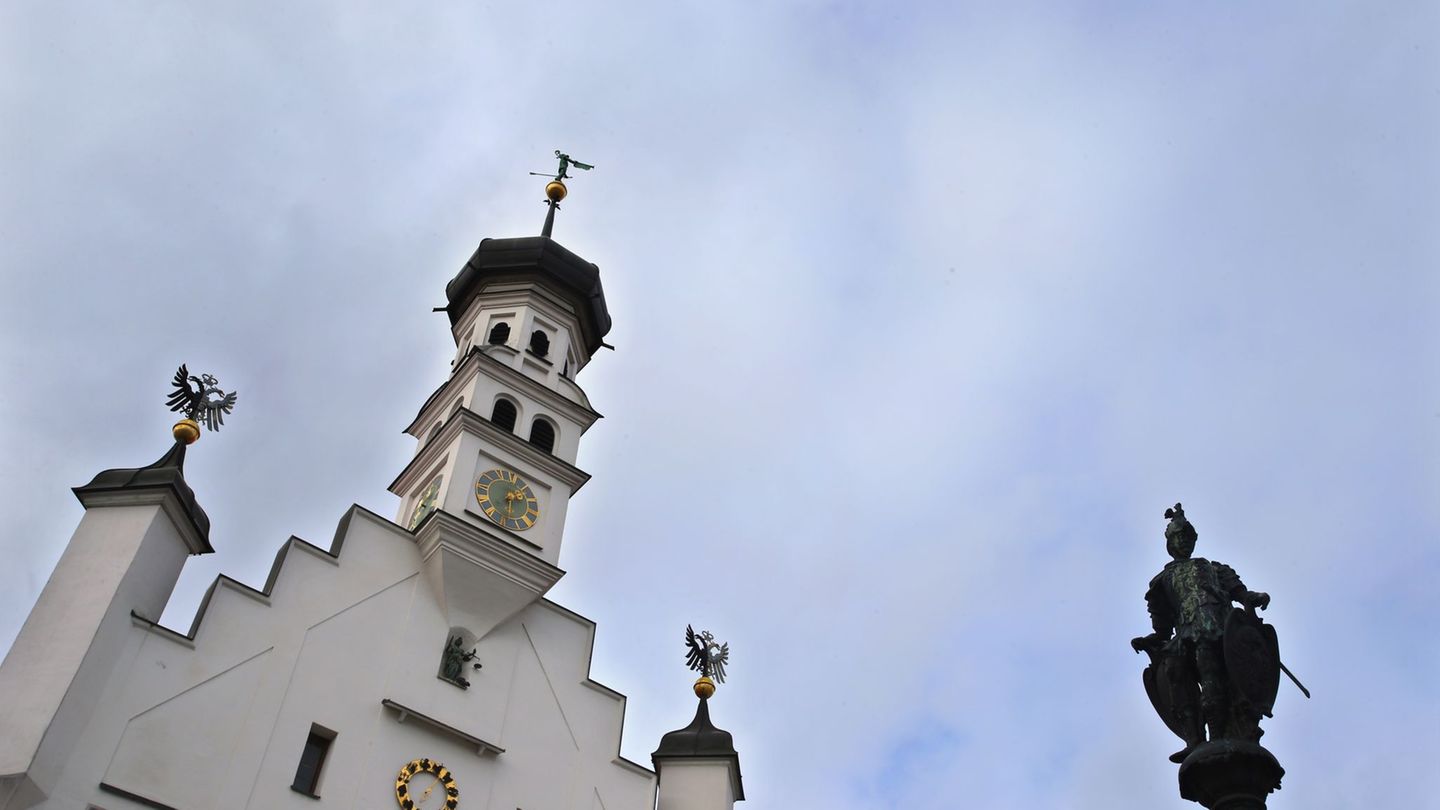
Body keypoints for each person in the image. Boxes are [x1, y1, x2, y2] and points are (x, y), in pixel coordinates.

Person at [1132, 504, 1270, 763]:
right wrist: (1152, 640)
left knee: (1211, 674)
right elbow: (1161, 625)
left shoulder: (1213, 568)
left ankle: (1217, 734)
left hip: (1216, 628)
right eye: (1178, 537)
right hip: (1185, 634)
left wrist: (1252, 597)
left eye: (1187, 537)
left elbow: (1240, 593)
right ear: (1170, 544)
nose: (1183, 541)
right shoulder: (1161, 581)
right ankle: (1193, 737)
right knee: (1175, 672)